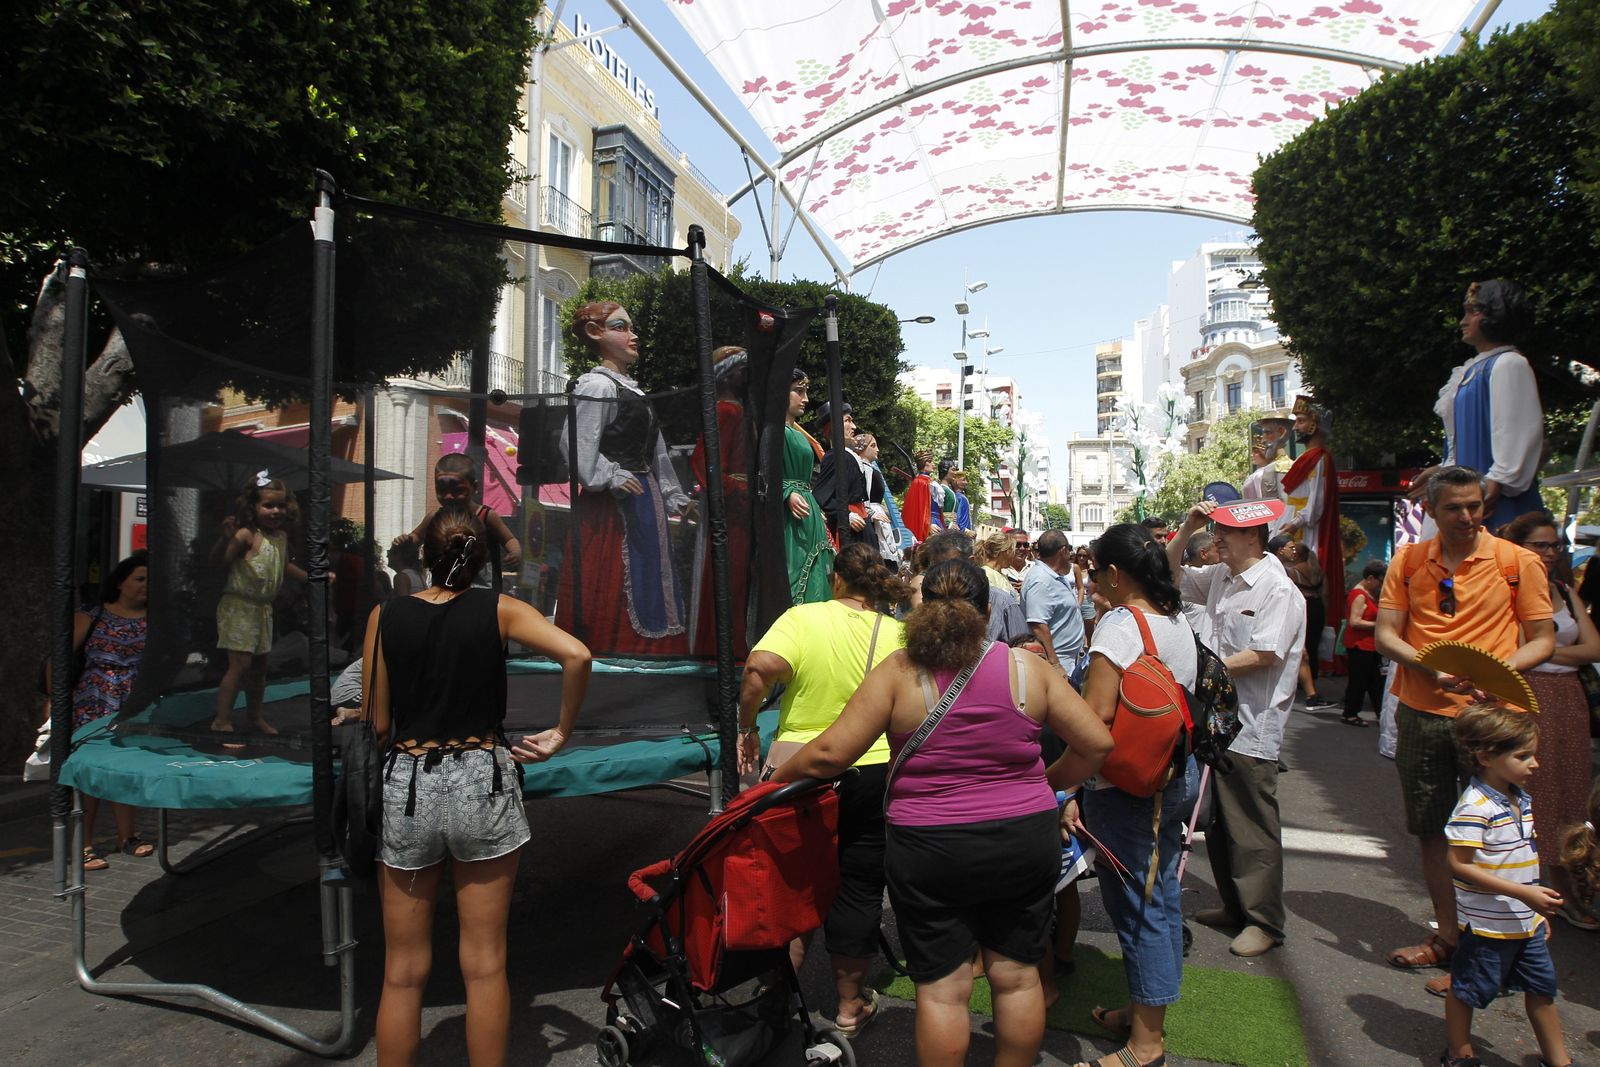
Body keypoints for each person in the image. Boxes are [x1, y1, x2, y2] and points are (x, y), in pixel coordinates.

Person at [772, 558, 1113, 1067]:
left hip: (928, 846)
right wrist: (1045, 783)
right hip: (1023, 838)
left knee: (942, 988)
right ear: (988, 610)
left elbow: (829, 755)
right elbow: (1096, 744)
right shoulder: (1029, 669)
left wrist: (775, 781)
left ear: (922, 608)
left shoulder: (900, 672)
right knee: (1018, 976)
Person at [364, 506, 592, 1067]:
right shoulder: (501, 609)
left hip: (410, 779)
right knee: (485, 964)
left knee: (401, 972)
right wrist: (561, 732)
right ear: (482, 561)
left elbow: (378, 722)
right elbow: (577, 654)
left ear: (426, 557)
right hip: (480, 776)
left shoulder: (384, 616)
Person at [1374, 466, 1554, 996]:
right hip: (1422, 711)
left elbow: (1542, 638)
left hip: (1493, 719)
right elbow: (1387, 635)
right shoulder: (1408, 561)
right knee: (1433, 830)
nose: (1467, 516)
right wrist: (1429, 666)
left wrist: (1494, 675)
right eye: (1454, 507)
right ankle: (1450, 938)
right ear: (1431, 510)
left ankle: (1497, 951)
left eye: (1475, 505)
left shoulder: (1516, 562)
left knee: (1500, 833)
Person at [737, 543, 909, 1036]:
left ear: (835, 579)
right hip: (875, 769)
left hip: (799, 771)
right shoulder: (897, 633)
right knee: (859, 886)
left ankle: (777, 992)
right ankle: (850, 1006)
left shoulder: (803, 618)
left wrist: (747, 726)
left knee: (792, 881)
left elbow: (758, 668)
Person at [1055, 524, 1201, 1067]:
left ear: (1115, 574)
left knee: (1142, 909)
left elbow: (1094, 722)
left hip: (1128, 786)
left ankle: (1146, 1044)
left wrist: (1062, 785)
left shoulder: (1120, 625)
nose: (1091, 581)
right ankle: (1143, 1015)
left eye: (1095, 571)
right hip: (1171, 776)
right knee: (1157, 896)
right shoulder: (1174, 617)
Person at [1167, 497, 1303, 957]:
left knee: (1251, 825)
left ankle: (1264, 921)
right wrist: (1187, 527)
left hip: (1250, 725)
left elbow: (1263, 655)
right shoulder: (1222, 577)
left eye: (1223, 531)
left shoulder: (1277, 589)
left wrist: (1201, 670)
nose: (1216, 539)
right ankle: (1235, 905)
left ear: (1252, 535)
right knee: (1221, 824)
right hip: (1216, 723)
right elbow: (1169, 574)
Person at [1439, 703, 1573, 1067]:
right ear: (1486, 757)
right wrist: (1524, 894)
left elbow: (1521, 862)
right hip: (1488, 927)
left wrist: (1534, 911)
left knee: (1542, 989)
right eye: (1523, 756)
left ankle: (1559, 1060)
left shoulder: (1520, 798)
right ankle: (1459, 1053)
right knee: (1467, 989)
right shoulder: (1474, 807)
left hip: (1525, 923)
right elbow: (1457, 864)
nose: (1535, 764)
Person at [556, 301, 693, 654]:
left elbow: (657, 453)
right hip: (612, 504)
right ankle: (615, 648)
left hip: (645, 498)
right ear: (594, 333)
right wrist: (609, 475)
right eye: (621, 327)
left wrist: (674, 496)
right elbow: (575, 443)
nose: (633, 335)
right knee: (615, 574)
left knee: (650, 571)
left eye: (631, 327)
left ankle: (649, 650)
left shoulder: (635, 393)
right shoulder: (597, 387)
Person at [1500, 511, 1600, 929]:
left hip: (1569, 697)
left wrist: (1544, 648)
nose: (1549, 552)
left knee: (1573, 787)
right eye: (1539, 545)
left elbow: (1594, 648)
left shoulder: (1563, 590)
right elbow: (1513, 647)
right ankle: (1539, 886)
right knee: (1534, 789)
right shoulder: (1507, 589)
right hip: (1528, 694)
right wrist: (1551, 652)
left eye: (1554, 545)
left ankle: (1571, 880)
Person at [1412, 280, 1543, 533]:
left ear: (1497, 314)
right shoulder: (1475, 370)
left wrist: (1496, 482)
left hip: (1491, 506)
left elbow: (1515, 435)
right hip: (1465, 496)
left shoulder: (1508, 364)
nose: (1463, 321)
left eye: (1473, 311)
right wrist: (1443, 469)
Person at [57, 553, 151, 871]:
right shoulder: (92, 613)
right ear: (121, 581)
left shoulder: (154, 619)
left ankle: (128, 837)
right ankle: (82, 845)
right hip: (93, 701)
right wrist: (55, 701)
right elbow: (60, 655)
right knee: (88, 772)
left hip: (133, 703)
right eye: (140, 578)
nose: (146, 586)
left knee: (125, 768)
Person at [210, 475, 307, 734]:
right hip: (240, 607)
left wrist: (312, 578)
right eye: (268, 505)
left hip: (263, 609)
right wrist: (224, 539)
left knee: (260, 668)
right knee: (240, 665)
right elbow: (220, 561)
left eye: (280, 505)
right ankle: (221, 721)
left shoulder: (280, 537)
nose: (276, 511)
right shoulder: (246, 534)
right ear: (253, 507)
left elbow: (284, 566)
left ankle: (254, 718)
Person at [689, 345, 753, 657]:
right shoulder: (726, 411)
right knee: (730, 579)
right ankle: (722, 649)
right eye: (741, 370)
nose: (747, 376)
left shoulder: (736, 411)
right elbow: (705, 464)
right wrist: (740, 489)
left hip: (740, 512)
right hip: (732, 514)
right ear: (726, 375)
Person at [397, 453, 522, 589]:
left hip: (483, 590)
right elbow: (417, 536)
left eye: (457, 490)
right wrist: (407, 540)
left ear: (474, 487)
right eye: (441, 490)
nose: (448, 496)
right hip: (444, 588)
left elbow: (509, 539)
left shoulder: (486, 516)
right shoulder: (435, 517)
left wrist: (515, 553)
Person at [1279, 395, 1345, 632]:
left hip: (1307, 533)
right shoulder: (1307, 457)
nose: (1295, 427)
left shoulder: (1320, 458)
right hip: (1294, 525)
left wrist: (1295, 523)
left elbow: (1317, 503)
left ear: (1314, 425)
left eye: (1301, 420)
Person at [912, 531, 1029, 645]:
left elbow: (1023, 647)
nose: (945, 573)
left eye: (952, 566)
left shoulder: (1002, 602)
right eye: (937, 567)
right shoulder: (927, 597)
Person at [782, 369, 835, 605]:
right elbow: (760, 473)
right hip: (790, 515)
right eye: (798, 391)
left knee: (817, 572)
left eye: (806, 392)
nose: (805, 399)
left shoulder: (797, 433)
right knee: (795, 570)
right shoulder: (773, 432)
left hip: (807, 510)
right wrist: (786, 492)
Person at [1272, 537, 1334, 711]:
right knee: (1306, 650)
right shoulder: (1316, 571)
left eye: (1294, 549)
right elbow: (1325, 595)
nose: (1292, 552)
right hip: (1315, 609)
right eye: (1290, 548)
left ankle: (1309, 693)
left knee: (1301, 651)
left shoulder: (1290, 572)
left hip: (1300, 610)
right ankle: (1310, 692)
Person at [1021, 531, 1091, 679]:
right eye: (1069, 550)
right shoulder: (1041, 580)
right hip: (1057, 663)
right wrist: (1055, 664)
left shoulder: (1053, 576)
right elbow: (1038, 624)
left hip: (1068, 661)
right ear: (1063, 551)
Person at [813, 401, 871, 550]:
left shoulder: (847, 455)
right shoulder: (834, 457)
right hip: (850, 527)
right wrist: (846, 515)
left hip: (861, 521)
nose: (854, 427)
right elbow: (820, 494)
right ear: (833, 426)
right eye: (847, 421)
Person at [1342, 560, 1388, 727]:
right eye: (1379, 581)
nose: (1380, 585)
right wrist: (1378, 625)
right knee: (1359, 681)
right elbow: (1355, 622)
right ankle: (1350, 713)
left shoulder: (1368, 594)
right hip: (1359, 645)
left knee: (1375, 682)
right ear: (1370, 578)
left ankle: (1380, 714)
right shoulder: (1359, 595)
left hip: (1369, 645)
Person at [902, 451, 938, 543]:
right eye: (930, 461)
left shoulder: (929, 482)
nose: (933, 464)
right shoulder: (920, 482)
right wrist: (927, 525)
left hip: (935, 524)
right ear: (924, 463)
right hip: (927, 526)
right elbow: (921, 509)